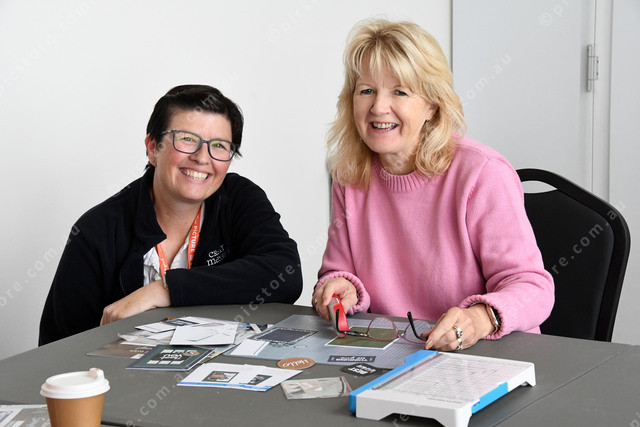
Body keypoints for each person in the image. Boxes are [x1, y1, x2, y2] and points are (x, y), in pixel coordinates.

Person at [312, 19, 554, 351]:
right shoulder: (349, 174)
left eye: (399, 91)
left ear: (432, 105)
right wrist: (341, 287)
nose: (378, 107)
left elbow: (533, 288)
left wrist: (479, 319)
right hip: (391, 353)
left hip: (486, 355)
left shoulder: (482, 173)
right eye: (366, 90)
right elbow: (338, 270)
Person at [39, 85, 302, 345]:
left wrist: (165, 289)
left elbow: (285, 273)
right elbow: (58, 348)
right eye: (187, 139)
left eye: (219, 145)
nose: (202, 158)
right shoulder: (97, 230)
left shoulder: (240, 198)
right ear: (153, 148)